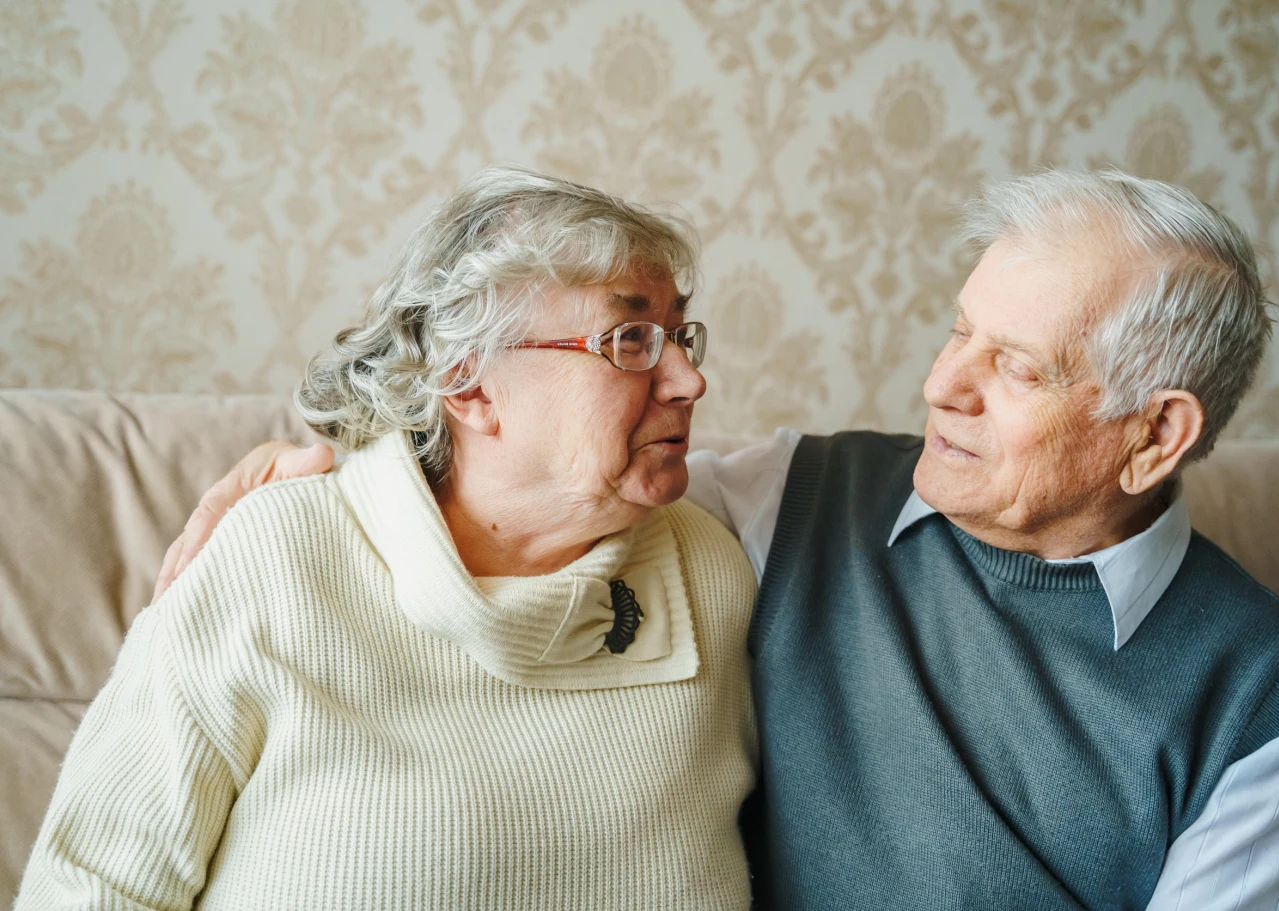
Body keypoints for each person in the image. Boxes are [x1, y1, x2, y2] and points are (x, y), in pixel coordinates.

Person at [151, 170, 1279, 909]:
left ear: (1154, 435)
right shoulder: (793, 502)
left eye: (1015, 367)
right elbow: (536, 473)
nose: (943, 384)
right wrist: (325, 467)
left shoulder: (1263, 700)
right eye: (958, 331)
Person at [17, 168, 760, 910]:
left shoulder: (713, 573)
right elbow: (90, 888)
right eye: (632, 338)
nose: (688, 380)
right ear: (469, 384)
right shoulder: (276, 559)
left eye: (679, 336)